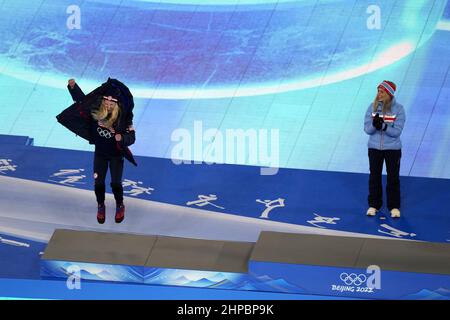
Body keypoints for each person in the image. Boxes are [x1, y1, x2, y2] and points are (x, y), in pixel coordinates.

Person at [57, 78, 137, 224]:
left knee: (115, 183)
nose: (108, 105)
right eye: (106, 102)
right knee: (98, 182)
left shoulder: (124, 118)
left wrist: (122, 138)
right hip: (100, 154)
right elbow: (81, 102)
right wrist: (73, 88)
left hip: (116, 156)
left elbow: (132, 137)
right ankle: (101, 205)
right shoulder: (95, 110)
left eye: (111, 103)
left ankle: (120, 205)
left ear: (117, 104)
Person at [364, 80, 405, 218]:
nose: (379, 94)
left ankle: (394, 206)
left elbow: (397, 132)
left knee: (393, 178)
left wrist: (383, 127)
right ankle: (374, 205)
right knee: (374, 177)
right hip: (374, 148)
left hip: (392, 150)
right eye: (378, 91)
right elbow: (367, 130)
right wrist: (374, 126)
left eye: (382, 92)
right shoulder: (372, 107)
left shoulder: (399, 109)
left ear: (389, 93)